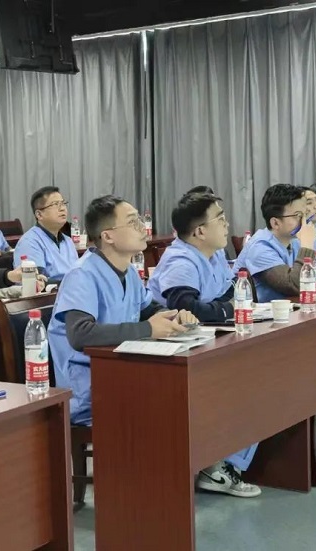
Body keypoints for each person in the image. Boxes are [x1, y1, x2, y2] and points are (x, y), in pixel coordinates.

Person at [48, 196, 259, 498]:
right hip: (91, 390)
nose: (142, 227)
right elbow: (80, 334)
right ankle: (171, 486)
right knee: (188, 394)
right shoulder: (83, 275)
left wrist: (175, 315)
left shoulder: (127, 273)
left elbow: (150, 309)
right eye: (132, 222)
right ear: (108, 236)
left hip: (128, 376)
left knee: (223, 382)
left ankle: (212, 466)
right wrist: (149, 328)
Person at [148, 193, 234, 322]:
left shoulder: (216, 253)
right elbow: (187, 311)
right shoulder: (180, 263)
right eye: (220, 219)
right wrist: (229, 309)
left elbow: (230, 289)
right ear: (200, 232)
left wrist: (219, 308)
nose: (226, 224)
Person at [233, 184, 316, 302]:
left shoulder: (294, 242)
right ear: (275, 223)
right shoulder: (260, 248)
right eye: (298, 215)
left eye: (305, 214)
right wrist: (307, 247)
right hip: (260, 312)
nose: (305, 221)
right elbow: (294, 285)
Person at [13, 186, 78, 281]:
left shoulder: (68, 241)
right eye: (55, 204)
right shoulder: (29, 242)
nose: (62, 209)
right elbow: (35, 282)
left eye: (63, 203)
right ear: (39, 214)